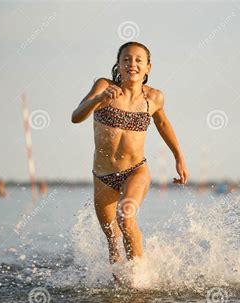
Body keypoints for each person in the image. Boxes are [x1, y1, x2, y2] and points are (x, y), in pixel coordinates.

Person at [71, 42, 189, 278]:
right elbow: (76, 117)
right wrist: (98, 100)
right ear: (118, 64)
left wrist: (179, 157)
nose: (132, 64)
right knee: (112, 239)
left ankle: (138, 280)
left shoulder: (154, 97)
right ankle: (119, 292)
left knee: (126, 216)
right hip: (102, 176)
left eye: (138, 60)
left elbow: (163, 124)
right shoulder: (104, 86)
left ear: (148, 68)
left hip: (136, 171)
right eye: (126, 59)